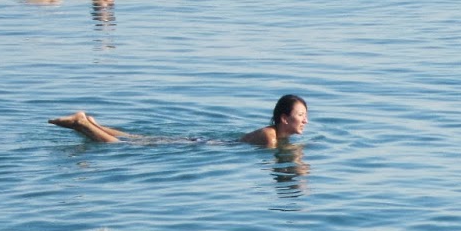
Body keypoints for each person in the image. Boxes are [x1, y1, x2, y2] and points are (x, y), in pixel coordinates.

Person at [47, 94, 308, 147]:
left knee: (135, 138)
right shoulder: (270, 137)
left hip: (203, 141)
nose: (305, 121)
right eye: (300, 116)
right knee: (123, 145)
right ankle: (83, 124)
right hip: (203, 145)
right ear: (284, 118)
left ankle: (91, 122)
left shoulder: (276, 134)